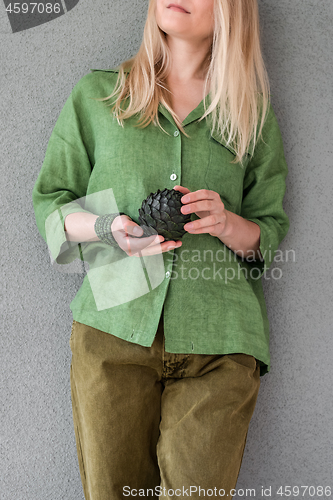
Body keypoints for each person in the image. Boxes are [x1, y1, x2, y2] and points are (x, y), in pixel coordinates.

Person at [32, 0, 290, 499]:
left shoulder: (249, 112)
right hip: (112, 335)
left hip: (220, 344)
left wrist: (226, 222)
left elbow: (269, 229)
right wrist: (109, 227)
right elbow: (52, 201)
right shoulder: (99, 96)